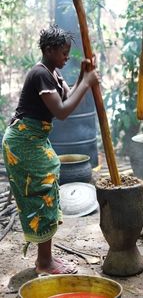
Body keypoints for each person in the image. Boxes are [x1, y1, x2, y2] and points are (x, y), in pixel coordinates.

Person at [2, 25, 100, 274]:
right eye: (64, 52)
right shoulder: (40, 74)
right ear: (48, 50)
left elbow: (68, 100)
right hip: (23, 141)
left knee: (45, 189)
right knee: (42, 192)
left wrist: (82, 76)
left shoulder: (52, 73)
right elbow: (62, 112)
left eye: (69, 52)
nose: (67, 57)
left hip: (34, 139)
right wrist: (87, 83)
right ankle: (44, 262)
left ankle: (45, 259)